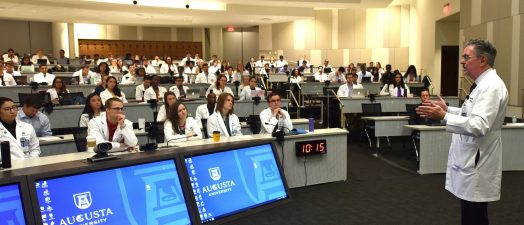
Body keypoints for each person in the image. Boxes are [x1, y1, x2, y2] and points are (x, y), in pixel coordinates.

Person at [416, 39, 508, 225]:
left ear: (483, 60)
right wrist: (448, 110)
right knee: (471, 215)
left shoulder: (491, 86)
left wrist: (443, 116)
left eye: (466, 57)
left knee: (474, 217)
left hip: (477, 163)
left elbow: (479, 125)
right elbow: (471, 114)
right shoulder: (482, 84)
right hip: (472, 161)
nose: (461, 61)